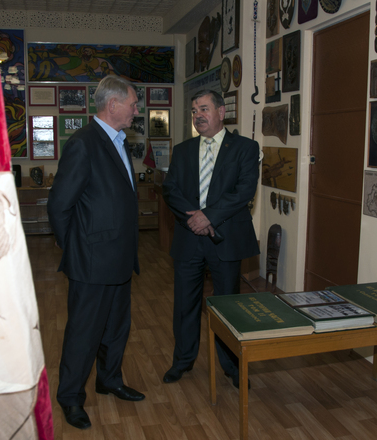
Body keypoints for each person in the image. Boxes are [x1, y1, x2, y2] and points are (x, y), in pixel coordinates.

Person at [47, 75, 145, 430]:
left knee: (117, 328)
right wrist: (76, 249)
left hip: (119, 257)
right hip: (91, 261)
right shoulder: (84, 143)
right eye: (133, 104)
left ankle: (109, 379)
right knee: (84, 334)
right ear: (113, 104)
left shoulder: (118, 140)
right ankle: (71, 397)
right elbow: (59, 206)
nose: (136, 110)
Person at [161, 89, 260, 388]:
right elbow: (171, 190)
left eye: (204, 109)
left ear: (221, 111)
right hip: (189, 237)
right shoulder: (182, 150)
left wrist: (209, 216)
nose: (198, 116)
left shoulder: (245, 147)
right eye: (194, 111)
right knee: (184, 304)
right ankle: (182, 361)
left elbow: (244, 190)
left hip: (226, 237)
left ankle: (231, 366)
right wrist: (194, 219)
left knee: (227, 306)